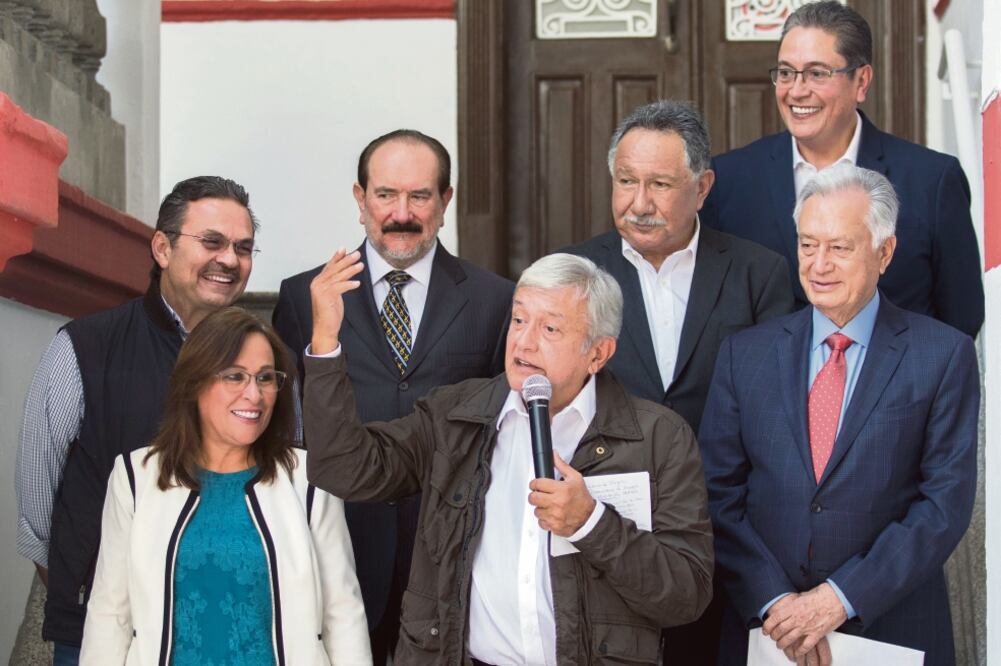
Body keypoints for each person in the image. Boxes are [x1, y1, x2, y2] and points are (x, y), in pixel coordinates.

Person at [302, 250, 713, 665]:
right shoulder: (455, 416)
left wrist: (592, 523)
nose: (524, 340)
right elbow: (344, 469)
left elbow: (686, 596)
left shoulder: (659, 438)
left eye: (550, 328)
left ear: (598, 353)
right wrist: (325, 344)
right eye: (519, 319)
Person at [699, 163, 979, 666]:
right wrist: (776, 603)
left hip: (892, 630)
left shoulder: (943, 355)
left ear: (884, 252)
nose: (819, 264)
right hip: (766, 632)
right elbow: (717, 496)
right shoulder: (745, 355)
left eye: (840, 247)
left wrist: (838, 598)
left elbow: (943, 506)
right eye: (808, 244)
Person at [565, 100, 793, 665]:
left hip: (727, 532)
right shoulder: (572, 274)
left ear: (702, 186)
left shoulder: (758, 273)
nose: (638, 204)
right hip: (604, 534)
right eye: (626, 181)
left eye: (660, 184)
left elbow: (775, 417)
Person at [272, 129, 513, 662]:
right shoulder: (302, 296)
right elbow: (285, 434)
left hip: (451, 562)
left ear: (445, 202)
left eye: (419, 196)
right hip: (337, 548)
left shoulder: (496, 300)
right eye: (385, 195)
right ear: (360, 200)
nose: (401, 213)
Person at [15, 176, 260, 664]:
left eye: (243, 247)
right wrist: (89, 581)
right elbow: (37, 503)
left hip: (228, 623)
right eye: (211, 241)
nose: (229, 259)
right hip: (105, 627)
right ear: (162, 248)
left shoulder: (267, 363)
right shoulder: (83, 349)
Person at [79, 307, 370, 665]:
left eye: (265, 378)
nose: (255, 394)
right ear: (195, 382)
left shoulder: (310, 477)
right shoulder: (135, 476)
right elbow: (110, 614)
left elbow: (344, 614)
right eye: (235, 376)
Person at [701, 0, 984, 338]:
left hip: (898, 388)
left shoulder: (932, 180)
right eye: (786, 72)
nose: (797, 90)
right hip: (767, 388)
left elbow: (961, 318)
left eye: (817, 73)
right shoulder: (731, 180)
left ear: (861, 81)